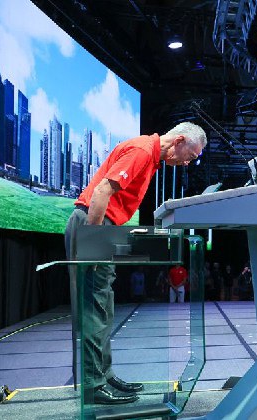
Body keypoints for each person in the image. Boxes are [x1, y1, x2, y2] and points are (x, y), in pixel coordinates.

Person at [64, 122, 207, 405]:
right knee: (94, 307)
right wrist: (94, 243)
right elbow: (102, 191)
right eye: (190, 155)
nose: (188, 163)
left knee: (102, 307)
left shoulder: (150, 157)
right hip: (94, 224)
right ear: (178, 140)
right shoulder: (143, 151)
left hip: (103, 226)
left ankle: (103, 375)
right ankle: (94, 385)